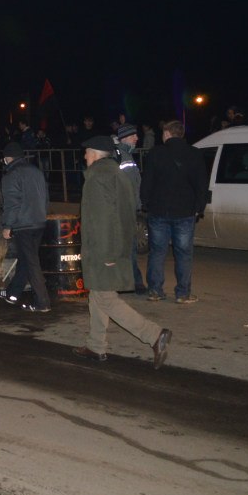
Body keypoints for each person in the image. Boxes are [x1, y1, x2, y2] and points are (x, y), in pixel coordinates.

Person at [72, 136, 171, 368]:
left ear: (95, 153)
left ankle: (154, 335)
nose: (84, 156)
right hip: (118, 246)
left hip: (103, 251)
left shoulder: (97, 178)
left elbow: (103, 220)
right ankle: (95, 345)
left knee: (106, 299)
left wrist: (108, 254)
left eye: (86, 152)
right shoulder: (118, 174)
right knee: (98, 295)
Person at [142, 120, 208, 305]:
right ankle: (182, 293)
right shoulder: (195, 154)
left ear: (167, 134)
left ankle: (155, 291)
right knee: (184, 253)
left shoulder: (155, 153)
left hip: (158, 210)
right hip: (185, 211)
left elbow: (147, 182)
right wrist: (199, 207)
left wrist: (146, 203)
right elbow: (201, 184)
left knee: (157, 252)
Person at [0, 142, 50, 313]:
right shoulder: (36, 171)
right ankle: (12, 294)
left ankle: (42, 302)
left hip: (23, 225)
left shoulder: (11, 175)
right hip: (39, 222)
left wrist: (7, 225)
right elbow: (45, 197)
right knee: (25, 259)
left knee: (32, 262)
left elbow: (12, 204)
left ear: (7, 158)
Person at [113, 123, 146, 293]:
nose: (137, 138)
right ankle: (132, 283)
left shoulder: (127, 155)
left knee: (128, 247)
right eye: (134, 136)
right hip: (123, 210)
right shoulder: (120, 155)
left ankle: (131, 282)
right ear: (125, 137)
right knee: (127, 248)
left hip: (129, 209)